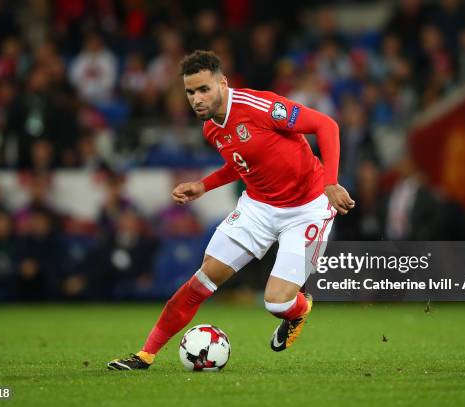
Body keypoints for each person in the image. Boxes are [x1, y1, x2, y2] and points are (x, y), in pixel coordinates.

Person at [108, 50, 354, 371]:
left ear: (222, 83)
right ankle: (145, 355)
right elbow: (243, 162)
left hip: (307, 208)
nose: (196, 98)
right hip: (258, 208)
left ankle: (299, 309)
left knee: (276, 302)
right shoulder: (211, 127)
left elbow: (326, 125)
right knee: (201, 280)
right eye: (190, 92)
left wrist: (331, 183)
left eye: (203, 89)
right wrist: (204, 185)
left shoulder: (260, 107)